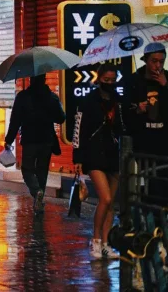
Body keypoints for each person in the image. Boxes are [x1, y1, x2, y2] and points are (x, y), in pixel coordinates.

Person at [73, 64, 122, 260]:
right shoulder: (88, 101)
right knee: (106, 198)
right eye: (106, 80)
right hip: (93, 154)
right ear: (99, 78)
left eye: (112, 80)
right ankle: (95, 241)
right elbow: (78, 129)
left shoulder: (118, 100)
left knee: (111, 203)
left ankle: (106, 244)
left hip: (113, 153)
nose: (109, 84)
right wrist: (77, 157)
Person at [4, 73, 65, 213]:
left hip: (30, 140)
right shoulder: (52, 97)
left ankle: (37, 191)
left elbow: (15, 121)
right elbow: (61, 118)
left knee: (27, 169)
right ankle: (39, 200)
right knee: (42, 171)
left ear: (30, 80)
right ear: (44, 80)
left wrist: (8, 140)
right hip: (47, 140)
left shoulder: (22, 97)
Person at [123, 42, 168, 203]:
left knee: (163, 181)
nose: (158, 65)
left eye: (161, 61)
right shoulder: (134, 81)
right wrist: (138, 109)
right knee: (150, 182)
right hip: (144, 141)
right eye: (154, 61)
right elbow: (125, 110)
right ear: (145, 60)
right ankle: (152, 220)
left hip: (164, 140)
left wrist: (165, 86)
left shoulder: (166, 78)